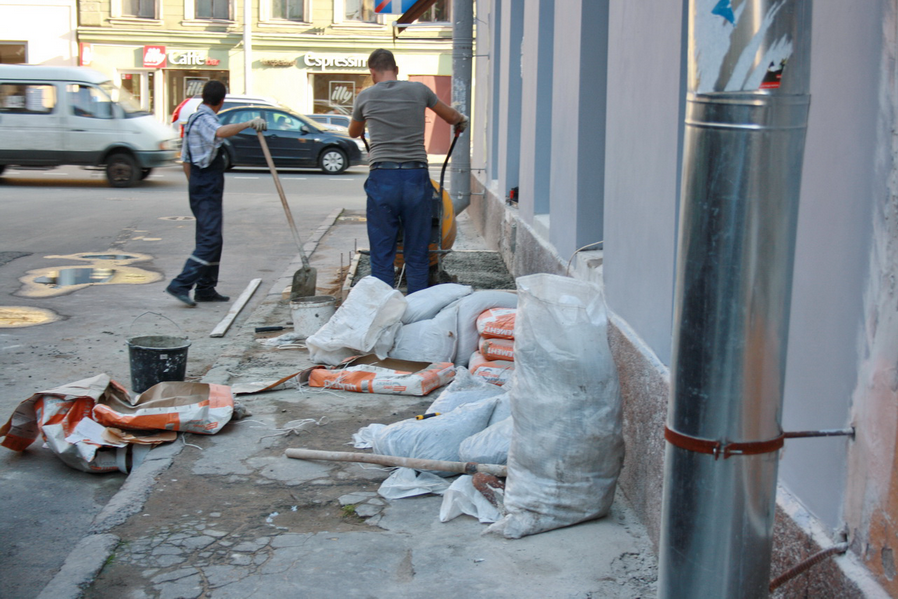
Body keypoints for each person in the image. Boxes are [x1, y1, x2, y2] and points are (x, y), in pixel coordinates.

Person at [348, 48, 468, 294]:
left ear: (372, 73)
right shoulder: (419, 90)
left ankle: (383, 309)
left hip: (383, 178)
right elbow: (452, 117)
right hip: (415, 178)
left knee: (382, 252)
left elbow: (353, 132)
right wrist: (461, 119)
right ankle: (417, 311)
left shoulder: (365, 96)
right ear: (397, 69)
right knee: (417, 249)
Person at [165, 80, 267, 307]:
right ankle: (181, 284)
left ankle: (206, 288)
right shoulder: (205, 120)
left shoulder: (193, 119)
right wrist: (249, 123)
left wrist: (195, 186)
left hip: (202, 184)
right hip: (205, 186)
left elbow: (186, 160)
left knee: (213, 239)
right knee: (209, 240)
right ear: (221, 101)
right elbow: (220, 132)